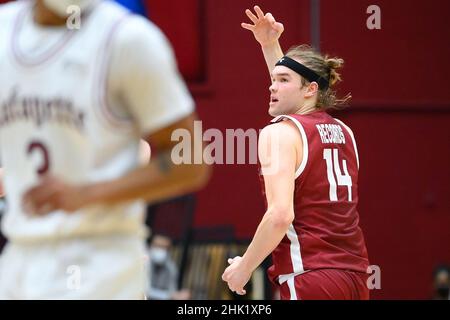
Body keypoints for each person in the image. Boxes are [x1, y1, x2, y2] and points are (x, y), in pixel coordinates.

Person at [0, 0, 210, 299]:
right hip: (18, 258)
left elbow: (190, 162)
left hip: (99, 263)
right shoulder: (5, 30)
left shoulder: (130, 39)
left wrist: (85, 194)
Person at [222, 6, 369, 300]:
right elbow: (297, 92)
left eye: (282, 80)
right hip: (355, 277)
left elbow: (280, 216)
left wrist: (245, 267)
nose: (272, 86)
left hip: (311, 276)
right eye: (273, 79)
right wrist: (268, 44)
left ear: (310, 89)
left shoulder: (278, 134)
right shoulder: (344, 133)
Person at [146, 234, 190, 300]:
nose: (160, 250)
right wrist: (168, 295)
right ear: (151, 246)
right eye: (157, 246)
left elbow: (172, 291)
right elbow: (140, 289)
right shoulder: (142, 263)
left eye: (164, 247)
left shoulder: (171, 268)